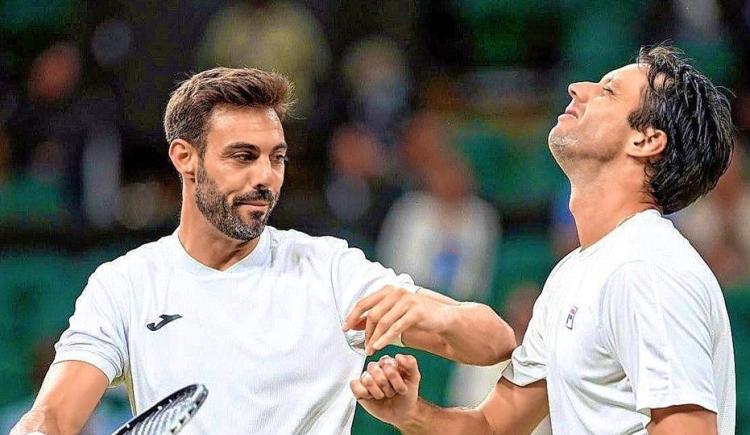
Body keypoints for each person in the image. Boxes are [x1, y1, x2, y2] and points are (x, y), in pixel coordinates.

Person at [11, 67, 516, 435]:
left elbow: (493, 342)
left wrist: (431, 313)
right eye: (242, 157)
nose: (265, 179)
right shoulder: (125, 285)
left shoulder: (331, 271)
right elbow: (53, 416)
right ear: (185, 159)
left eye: (276, 158)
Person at [350, 44, 736, 435]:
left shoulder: (648, 268)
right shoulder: (574, 273)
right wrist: (410, 413)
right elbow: (492, 426)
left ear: (646, 140)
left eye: (608, 91)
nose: (576, 88)